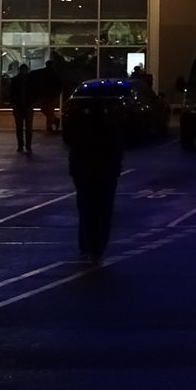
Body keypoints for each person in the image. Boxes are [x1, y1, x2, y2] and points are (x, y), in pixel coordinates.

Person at [65, 88, 125, 265]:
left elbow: (70, 141)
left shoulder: (81, 129)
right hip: (105, 172)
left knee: (86, 208)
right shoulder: (110, 128)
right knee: (103, 210)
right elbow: (117, 148)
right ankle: (97, 247)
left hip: (84, 171)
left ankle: (87, 245)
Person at [10, 63, 34, 154]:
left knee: (25, 127)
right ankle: (23, 145)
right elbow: (12, 93)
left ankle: (25, 145)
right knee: (22, 127)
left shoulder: (28, 80)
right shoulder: (28, 80)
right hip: (21, 106)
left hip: (25, 106)